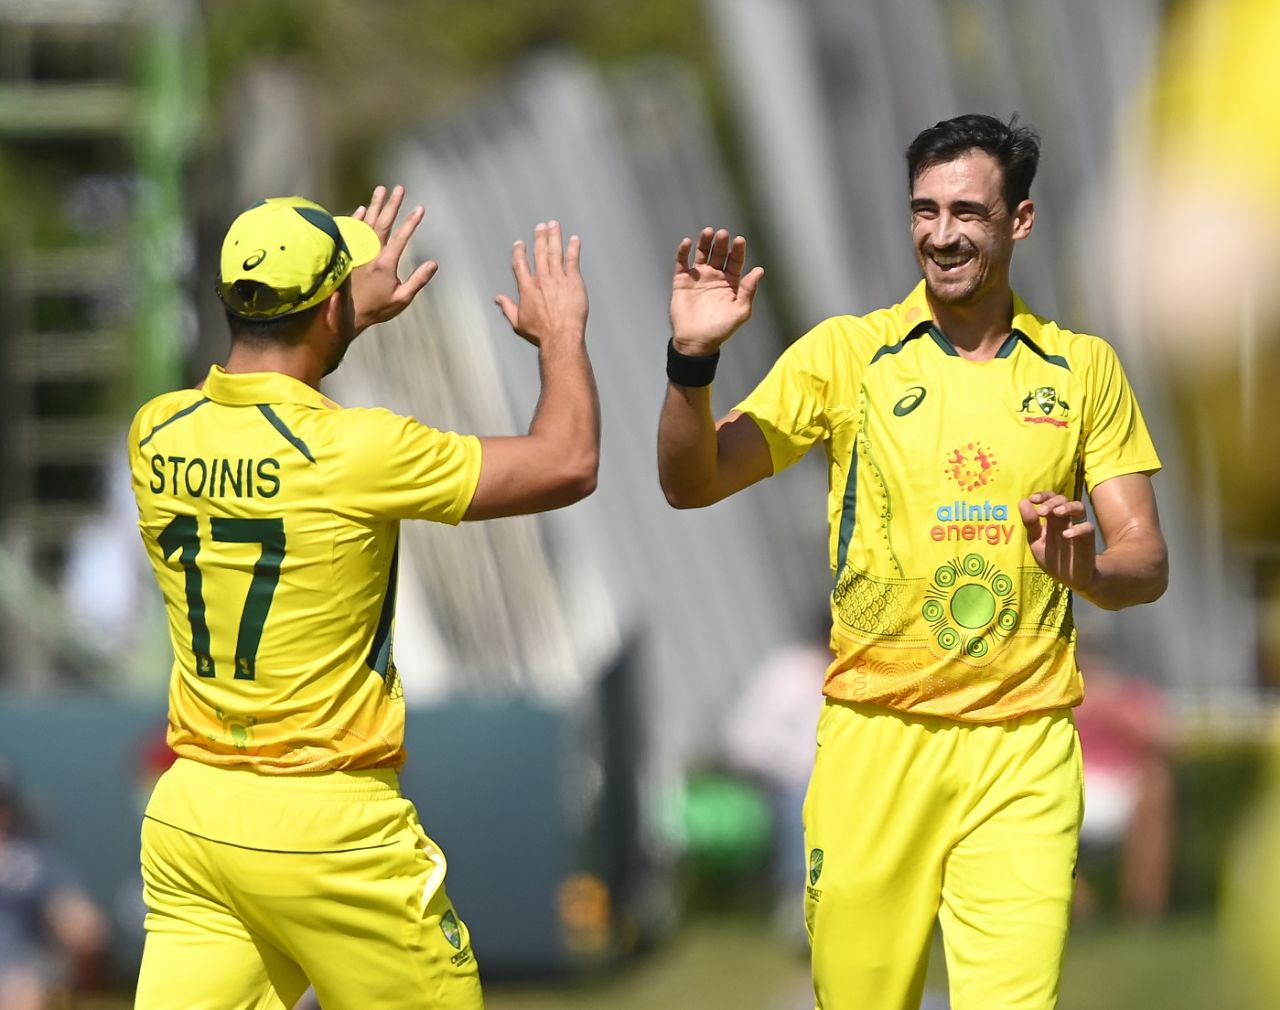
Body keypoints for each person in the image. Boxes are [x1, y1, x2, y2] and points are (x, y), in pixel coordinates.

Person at [657, 114, 1168, 1010]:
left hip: (1026, 745)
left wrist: (1088, 568)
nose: (941, 234)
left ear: (1020, 221)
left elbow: (1146, 560)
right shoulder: (846, 355)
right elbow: (690, 482)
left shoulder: (1083, 370)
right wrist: (692, 363)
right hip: (874, 738)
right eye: (923, 210)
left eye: (967, 211)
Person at [128, 185, 598, 1010]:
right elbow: (567, 461)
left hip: (193, 815)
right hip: (327, 826)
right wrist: (558, 334)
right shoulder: (355, 448)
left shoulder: (155, 432)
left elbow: (268, 421)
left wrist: (339, 320)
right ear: (327, 310)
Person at [0, 763, 107, 1010]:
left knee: (24, 991)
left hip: (21, 973)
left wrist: (82, 929)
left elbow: (80, 922)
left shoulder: (31, 860)